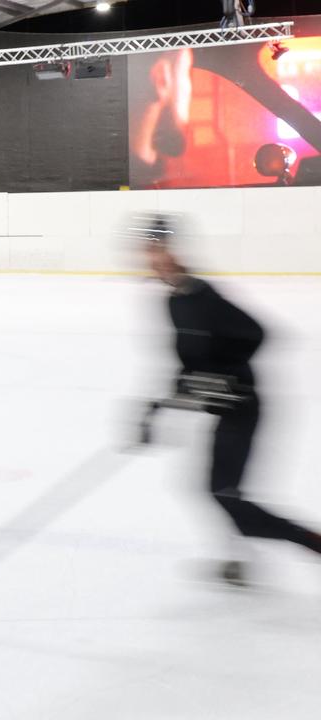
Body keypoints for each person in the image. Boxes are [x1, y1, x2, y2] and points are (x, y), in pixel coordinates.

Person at [139, 213, 321, 585]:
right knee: (222, 491)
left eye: (160, 248)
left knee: (226, 494)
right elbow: (191, 368)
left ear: (174, 250)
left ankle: (311, 542)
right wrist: (156, 410)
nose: (154, 257)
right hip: (227, 410)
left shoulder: (200, 295)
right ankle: (242, 558)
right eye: (149, 250)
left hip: (244, 409)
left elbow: (257, 333)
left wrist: (228, 377)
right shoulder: (175, 300)